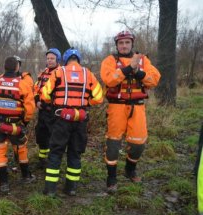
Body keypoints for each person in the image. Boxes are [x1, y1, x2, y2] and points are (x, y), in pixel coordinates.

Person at [101, 30, 161, 193]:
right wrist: (128, 69)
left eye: (127, 42)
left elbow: (154, 79)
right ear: (117, 45)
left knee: (138, 144)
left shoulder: (143, 60)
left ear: (132, 43)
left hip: (137, 106)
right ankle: (111, 178)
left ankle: (130, 169)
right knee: (113, 144)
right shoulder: (110, 60)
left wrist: (137, 71)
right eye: (121, 43)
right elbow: (109, 79)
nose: (124, 45)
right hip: (117, 106)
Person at [41, 48, 103, 197]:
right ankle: (71, 188)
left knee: (55, 152)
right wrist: (86, 102)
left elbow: (44, 94)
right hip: (80, 119)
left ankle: (50, 189)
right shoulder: (88, 74)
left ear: (65, 59)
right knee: (75, 153)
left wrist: (53, 102)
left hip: (61, 118)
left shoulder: (58, 72)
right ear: (78, 59)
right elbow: (99, 97)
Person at [0, 56, 36, 193]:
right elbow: (30, 107)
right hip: (15, 124)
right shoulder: (23, 84)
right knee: (21, 148)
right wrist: (25, 121)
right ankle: (26, 176)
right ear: (17, 67)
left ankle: (4, 182)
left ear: (4, 67)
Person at [34, 48, 62, 169]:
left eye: (52, 58)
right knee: (41, 134)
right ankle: (42, 159)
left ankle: (52, 160)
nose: (50, 61)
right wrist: (36, 100)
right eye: (48, 58)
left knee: (53, 135)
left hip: (52, 110)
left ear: (57, 59)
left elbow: (59, 93)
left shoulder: (61, 73)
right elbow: (36, 87)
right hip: (41, 110)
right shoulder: (44, 72)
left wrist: (46, 104)